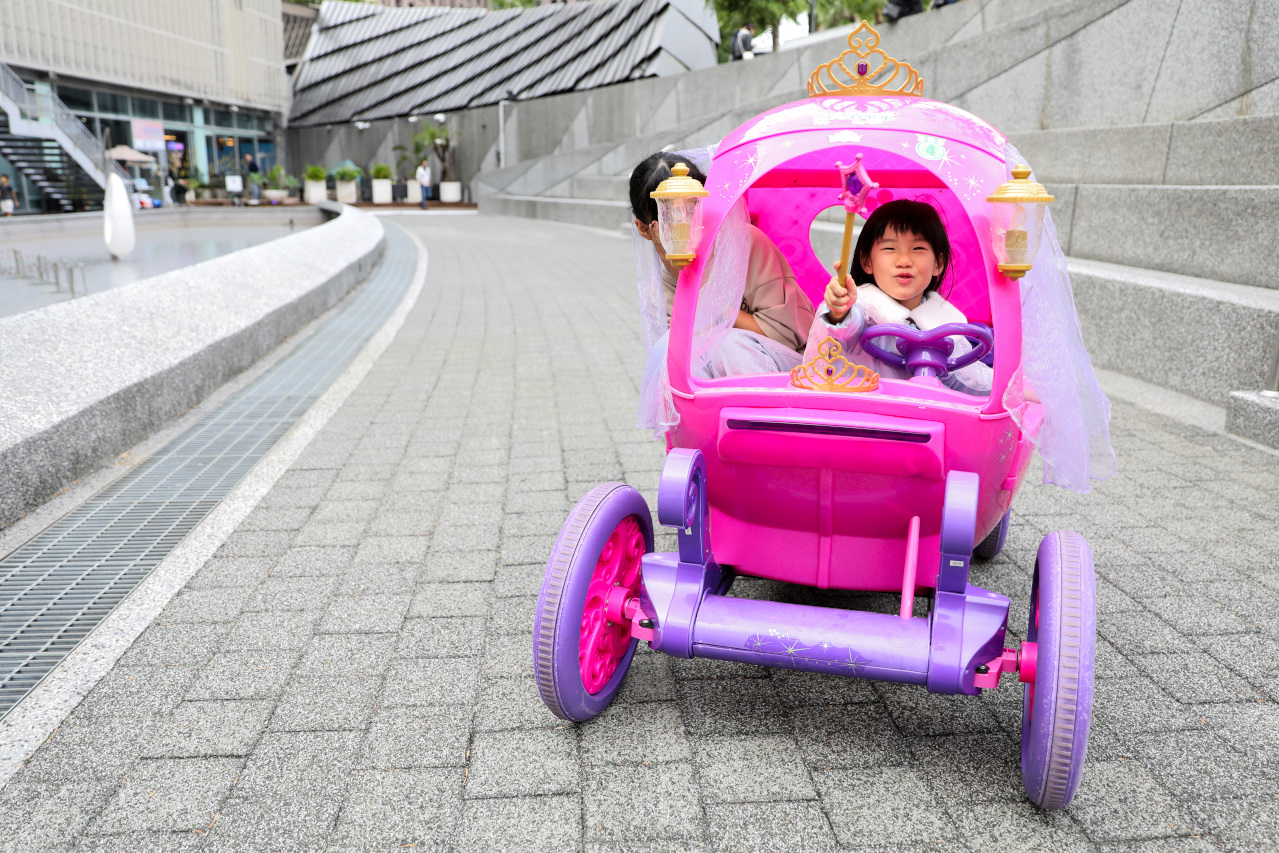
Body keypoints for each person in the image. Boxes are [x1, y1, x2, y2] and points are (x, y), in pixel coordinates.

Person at [631, 152, 814, 373]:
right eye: (671, 215)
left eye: (693, 209)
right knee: (674, 356)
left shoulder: (747, 243)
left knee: (726, 345)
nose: (686, 224)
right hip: (715, 386)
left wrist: (710, 303)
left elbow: (784, 336)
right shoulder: (656, 292)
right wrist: (680, 270)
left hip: (788, 366)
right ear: (645, 229)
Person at [805, 198, 991, 395]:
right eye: (890, 248)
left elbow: (971, 384)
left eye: (918, 249)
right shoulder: (861, 308)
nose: (904, 261)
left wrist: (1014, 391)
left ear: (938, 263)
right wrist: (838, 310)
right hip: (858, 418)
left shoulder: (947, 327)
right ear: (867, 261)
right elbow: (841, 329)